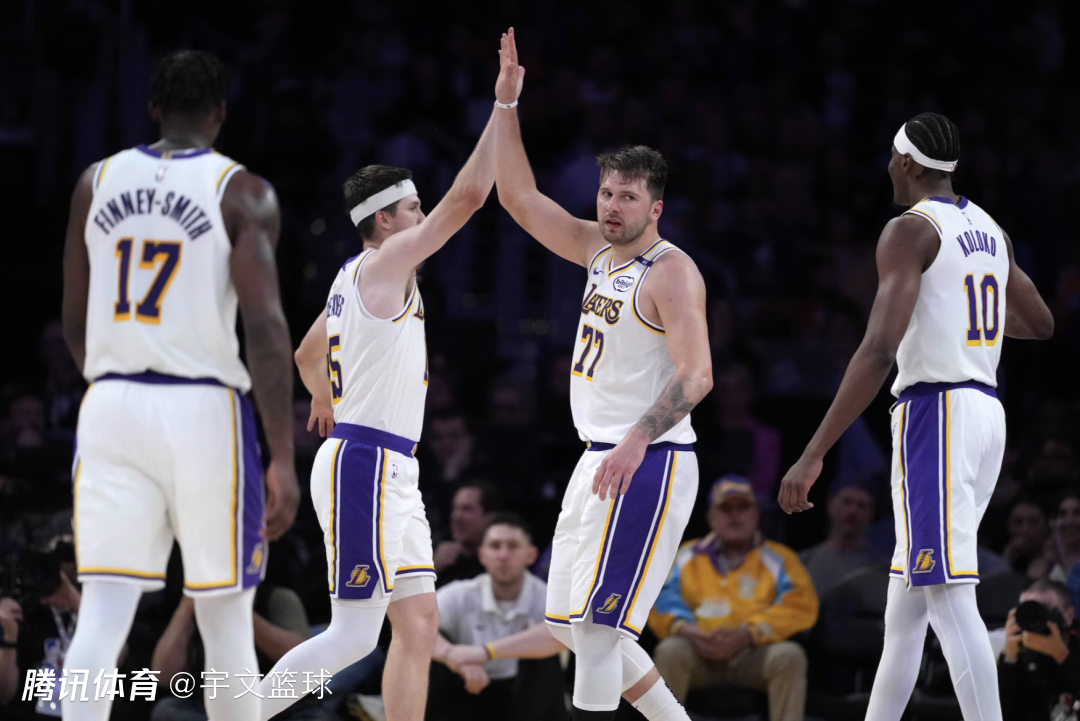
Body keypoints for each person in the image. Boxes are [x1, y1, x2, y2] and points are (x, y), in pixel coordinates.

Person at [255, 31, 504, 721]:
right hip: (365, 461)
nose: (423, 217)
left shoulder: (356, 278)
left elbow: (308, 354)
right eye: (414, 209)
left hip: (389, 465)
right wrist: (503, 107)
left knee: (418, 624)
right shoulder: (385, 263)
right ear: (385, 220)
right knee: (353, 635)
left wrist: (323, 396)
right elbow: (469, 198)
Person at [778, 112, 1055, 721]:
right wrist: (964, 317)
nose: (886, 166)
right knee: (905, 609)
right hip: (986, 412)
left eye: (889, 157)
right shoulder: (990, 228)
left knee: (947, 596)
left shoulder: (908, 230)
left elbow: (878, 351)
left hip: (939, 414)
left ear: (905, 162)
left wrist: (813, 452)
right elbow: (1040, 323)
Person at [60, 50, 298, 721]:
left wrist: (114, 381)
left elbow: (74, 319)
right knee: (225, 613)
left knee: (102, 612)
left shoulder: (94, 182)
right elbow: (266, 328)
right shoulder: (243, 192)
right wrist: (282, 453)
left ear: (153, 109)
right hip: (201, 407)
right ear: (220, 114)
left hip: (110, 399)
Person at [494, 30, 713, 721]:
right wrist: (507, 104)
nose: (611, 206)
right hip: (598, 456)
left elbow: (698, 376)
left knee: (596, 632)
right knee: (570, 624)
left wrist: (637, 440)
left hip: (649, 457)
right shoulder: (595, 247)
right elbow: (519, 198)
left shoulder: (671, 272)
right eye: (606, 192)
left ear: (655, 208)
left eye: (627, 197)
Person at [649, 478, 817, 721]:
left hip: (753, 654)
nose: (735, 516)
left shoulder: (780, 558)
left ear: (756, 515)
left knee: (789, 656)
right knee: (669, 650)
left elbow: (800, 604)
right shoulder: (686, 555)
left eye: (743, 508)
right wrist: (687, 629)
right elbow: (659, 597)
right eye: (726, 508)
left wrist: (750, 633)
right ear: (711, 517)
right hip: (698, 651)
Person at [429, 514, 567, 721]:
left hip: (525, 699)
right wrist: (452, 657)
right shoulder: (459, 593)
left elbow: (563, 633)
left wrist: (484, 653)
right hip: (468, 688)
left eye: (513, 546)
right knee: (430, 652)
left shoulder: (547, 596)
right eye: (495, 546)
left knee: (547, 659)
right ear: (481, 555)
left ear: (531, 555)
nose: (503, 555)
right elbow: (417, 627)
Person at [999, 579, 1080, 720]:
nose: (1035, 619)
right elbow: (999, 713)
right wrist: (1009, 658)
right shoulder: (1018, 652)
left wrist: (1062, 656)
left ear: (1069, 616)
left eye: (1044, 610)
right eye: (1028, 611)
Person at [799, 482, 890, 597]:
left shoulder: (880, 570)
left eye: (861, 506)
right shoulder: (803, 563)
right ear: (830, 505)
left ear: (871, 514)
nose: (853, 511)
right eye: (846, 502)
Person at [433, 481, 502, 587]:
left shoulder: (503, 557)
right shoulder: (435, 550)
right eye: (455, 508)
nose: (456, 517)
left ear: (489, 517)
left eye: (466, 509)